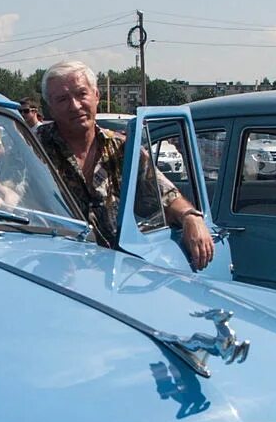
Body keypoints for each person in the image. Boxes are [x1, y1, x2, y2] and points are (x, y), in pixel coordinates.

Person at [38, 60, 214, 270]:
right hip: (55, 269)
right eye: (62, 99)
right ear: (50, 108)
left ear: (96, 96)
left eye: (81, 94)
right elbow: (8, 199)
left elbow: (165, 194)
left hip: (114, 271)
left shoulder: (122, 148)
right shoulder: (31, 148)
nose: (75, 105)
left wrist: (190, 218)